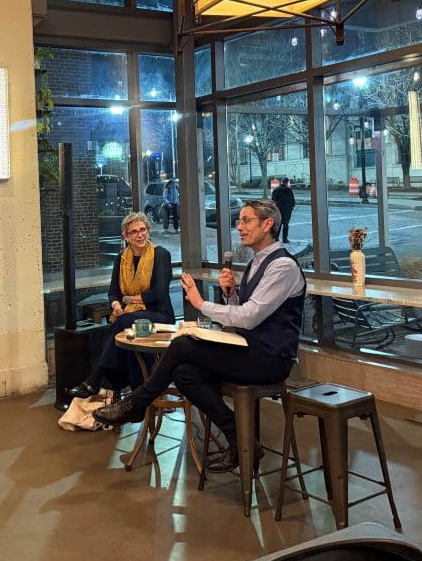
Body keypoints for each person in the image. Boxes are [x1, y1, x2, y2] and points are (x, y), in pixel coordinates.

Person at [94, 199, 305, 473]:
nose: (239, 227)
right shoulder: (256, 262)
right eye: (239, 221)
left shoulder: (282, 266)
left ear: (267, 225)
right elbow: (244, 311)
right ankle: (239, 438)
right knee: (183, 373)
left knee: (183, 344)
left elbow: (250, 317)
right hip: (249, 348)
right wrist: (231, 295)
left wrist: (200, 303)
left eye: (246, 220)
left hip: (271, 358)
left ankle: (137, 402)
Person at [67, 212, 174, 399]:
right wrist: (116, 303)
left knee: (123, 321)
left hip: (159, 314)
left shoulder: (161, 255)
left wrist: (128, 300)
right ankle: (134, 391)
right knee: (124, 323)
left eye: (143, 230)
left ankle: (96, 379)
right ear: (126, 236)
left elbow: (159, 293)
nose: (140, 235)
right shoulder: (122, 258)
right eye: (134, 232)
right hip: (131, 316)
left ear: (148, 231)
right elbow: (113, 291)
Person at [271, 177, 296, 244]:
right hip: (287, 210)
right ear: (287, 182)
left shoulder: (276, 189)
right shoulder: (288, 190)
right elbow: (292, 199)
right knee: (285, 224)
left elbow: (273, 198)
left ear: (281, 182)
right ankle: (284, 239)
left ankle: (276, 238)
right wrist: (292, 206)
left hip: (278, 209)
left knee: (278, 224)